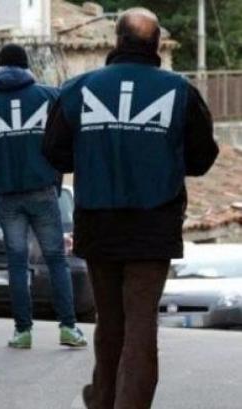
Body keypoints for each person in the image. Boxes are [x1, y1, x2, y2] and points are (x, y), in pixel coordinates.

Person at [43, 8, 218, 408]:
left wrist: (93, 154)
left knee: (109, 323)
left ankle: (102, 399)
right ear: (156, 44)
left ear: (117, 40)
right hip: (153, 227)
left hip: (97, 224)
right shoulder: (179, 91)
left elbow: (53, 152)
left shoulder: (78, 89)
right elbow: (202, 158)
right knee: (140, 326)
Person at [0, 44, 88, 350]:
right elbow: (71, 136)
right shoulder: (49, 96)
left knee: (16, 262)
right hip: (43, 191)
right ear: (27, 67)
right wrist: (55, 165)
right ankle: (68, 328)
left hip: (7, 194)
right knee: (56, 259)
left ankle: (22, 332)